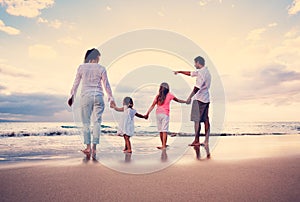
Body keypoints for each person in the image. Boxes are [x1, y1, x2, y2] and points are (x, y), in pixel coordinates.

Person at [68, 48, 115, 159]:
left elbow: (76, 83)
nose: (99, 59)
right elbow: (106, 84)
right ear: (96, 57)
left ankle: (88, 147)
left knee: (86, 123)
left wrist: (72, 96)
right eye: (99, 57)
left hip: (86, 97)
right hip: (98, 96)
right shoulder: (101, 68)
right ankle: (94, 147)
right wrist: (111, 98)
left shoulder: (81, 67)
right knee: (97, 122)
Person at [174, 56, 211, 147]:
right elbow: (190, 73)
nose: (194, 65)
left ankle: (196, 141)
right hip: (206, 99)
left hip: (199, 99)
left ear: (198, 62)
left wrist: (189, 97)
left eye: (195, 63)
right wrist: (180, 72)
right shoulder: (206, 72)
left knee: (196, 120)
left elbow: (197, 87)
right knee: (206, 119)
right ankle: (206, 141)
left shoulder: (202, 73)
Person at [145, 82, 187, 150]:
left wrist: (147, 114)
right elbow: (178, 100)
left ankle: (163, 145)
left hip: (158, 114)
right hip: (165, 114)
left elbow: (152, 105)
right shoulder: (169, 95)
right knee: (164, 130)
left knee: (161, 130)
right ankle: (164, 145)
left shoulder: (158, 96)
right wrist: (185, 101)